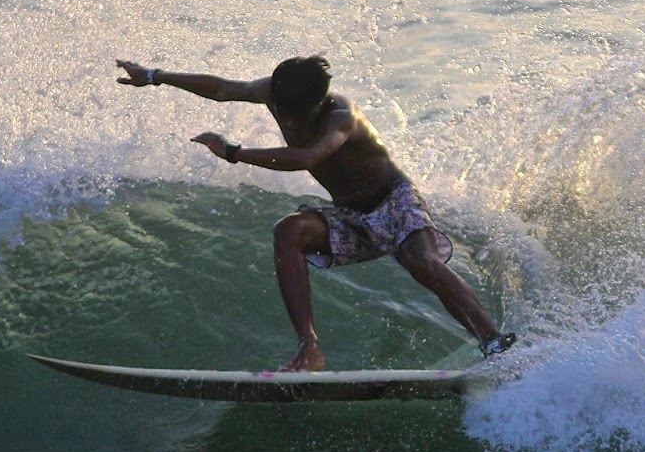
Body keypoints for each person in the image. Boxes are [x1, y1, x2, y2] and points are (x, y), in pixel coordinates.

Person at [115, 55, 515, 371]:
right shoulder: (278, 94)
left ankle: (491, 340)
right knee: (288, 231)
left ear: (319, 104)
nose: (287, 121)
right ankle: (310, 348)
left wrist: (233, 153)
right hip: (349, 214)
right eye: (282, 112)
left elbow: (308, 156)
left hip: (392, 201)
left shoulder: (341, 118)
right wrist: (154, 75)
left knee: (421, 261)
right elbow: (222, 89)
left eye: (295, 116)